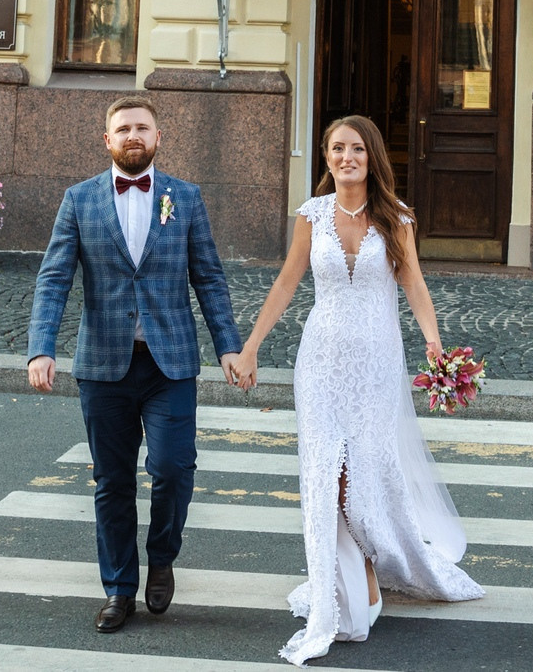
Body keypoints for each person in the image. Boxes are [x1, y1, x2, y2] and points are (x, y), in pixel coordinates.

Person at [233, 114, 483, 664]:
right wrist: (250, 347)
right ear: (326, 158)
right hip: (319, 361)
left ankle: (369, 562)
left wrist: (435, 348)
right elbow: (286, 282)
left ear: (372, 158)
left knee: (363, 473)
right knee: (327, 474)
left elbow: (413, 281)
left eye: (356, 150)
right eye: (337, 149)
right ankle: (343, 582)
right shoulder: (312, 216)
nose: (347, 158)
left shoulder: (396, 218)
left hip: (374, 362)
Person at [28, 98, 246, 634]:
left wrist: (229, 346)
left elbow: (209, 278)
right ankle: (119, 588)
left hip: (169, 364)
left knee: (173, 469)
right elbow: (54, 278)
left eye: (141, 128)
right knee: (112, 482)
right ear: (107, 140)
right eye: (122, 129)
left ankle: (163, 555)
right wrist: (41, 346)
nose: (132, 136)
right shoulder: (78, 200)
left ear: (157, 136)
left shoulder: (185, 198)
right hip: (104, 365)